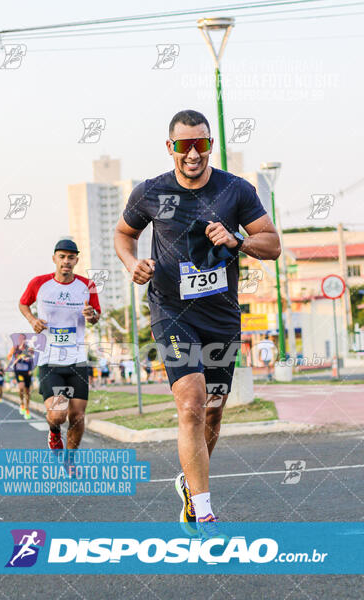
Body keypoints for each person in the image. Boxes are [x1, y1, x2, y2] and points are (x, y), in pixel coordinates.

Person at [114, 109, 280, 539]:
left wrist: (237, 240)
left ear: (210, 145)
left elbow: (273, 244)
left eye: (201, 144)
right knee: (190, 402)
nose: (192, 153)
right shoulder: (150, 192)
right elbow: (123, 234)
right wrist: (133, 263)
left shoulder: (235, 190)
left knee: (212, 410)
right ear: (170, 147)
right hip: (171, 310)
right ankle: (204, 512)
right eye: (183, 145)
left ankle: (190, 485)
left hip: (221, 314)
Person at [19, 239, 101, 449]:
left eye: (71, 257)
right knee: (58, 415)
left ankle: (70, 459)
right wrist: (33, 320)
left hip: (78, 360)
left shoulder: (87, 285)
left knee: (77, 416)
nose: (66, 261)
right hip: (50, 360)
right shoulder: (39, 283)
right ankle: (54, 432)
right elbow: (23, 303)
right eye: (62, 257)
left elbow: (96, 315)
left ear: (76, 260)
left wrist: (91, 315)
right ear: (54, 258)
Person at [8, 334, 34, 419]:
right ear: (18, 340)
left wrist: (29, 364)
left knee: (27, 391)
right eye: (20, 339)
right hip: (19, 372)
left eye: (23, 339)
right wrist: (16, 358)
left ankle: (27, 407)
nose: (21, 340)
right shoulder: (15, 349)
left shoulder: (28, 348)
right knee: (21, 387)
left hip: (27, 372)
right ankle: (22, 403)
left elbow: (32, 358)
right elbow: (9, 358)